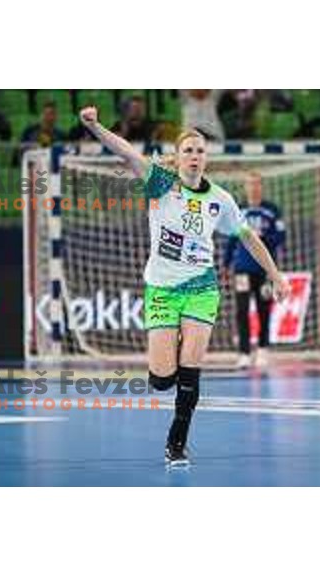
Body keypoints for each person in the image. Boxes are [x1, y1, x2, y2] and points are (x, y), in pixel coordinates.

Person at [78, 106, 290, 465]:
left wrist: (275, 274)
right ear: (178, 157)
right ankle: (168, 354)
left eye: (200, 151)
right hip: (161, 289)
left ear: (206, 159)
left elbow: (249, 236)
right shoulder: (160, 181)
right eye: (188, 150)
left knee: (191, 367)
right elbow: (127, 152)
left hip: (200, 288)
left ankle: (177, 442)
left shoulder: (220, 200)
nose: (194, 156)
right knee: (162, 380)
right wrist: (94, 125)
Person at [223, 173, 285, 368]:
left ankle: (263, 349)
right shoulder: (239, 209)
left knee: (263, 309)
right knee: (241, 310)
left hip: (265, 269)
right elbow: (232, 239)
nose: (254, 188)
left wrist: (261, 238)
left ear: (262, 187)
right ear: (245, 187)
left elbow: (281, 237)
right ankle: (243, 352)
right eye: (250, 184)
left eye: (257, 184)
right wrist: (226, 264)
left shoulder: (272, 210)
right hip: (242, 268)